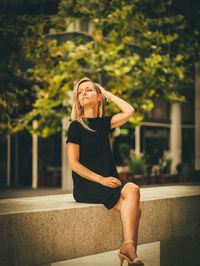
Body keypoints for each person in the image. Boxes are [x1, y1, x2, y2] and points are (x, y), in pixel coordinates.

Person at [66, 77, 144, 265]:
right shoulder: (76, 126)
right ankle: (129, 249)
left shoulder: (103, 124)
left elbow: (130, 110)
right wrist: (101, 179)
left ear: (99, 96)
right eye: (80, 91)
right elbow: (73, 164)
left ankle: (128, 247)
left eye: (89, 90)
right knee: (135, 210)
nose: (83, 93)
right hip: (88, 185)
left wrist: (107, 94)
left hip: (109, 180)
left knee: (133, 189)